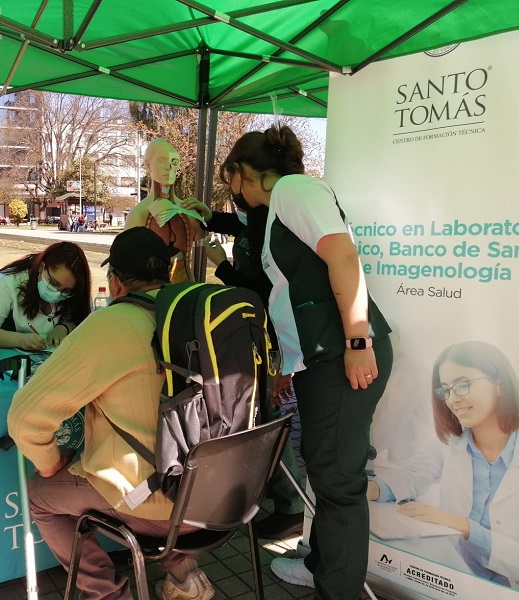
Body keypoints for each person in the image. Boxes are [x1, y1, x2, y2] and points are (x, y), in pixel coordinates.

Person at [219, 127, 393, 600]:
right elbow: (296, 295)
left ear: (240, 173)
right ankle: (321, 565)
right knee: (326, 472)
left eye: (229, 179)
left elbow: (342, 255)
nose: (231, 192)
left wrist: (358, 341)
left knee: (338, 485)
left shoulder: (295, 189)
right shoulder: (282, 204)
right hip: (322, 359)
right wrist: (287, 365)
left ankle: (337, 589)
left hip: (342, 355)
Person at [7, 227, 215, 600]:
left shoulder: (112, 323)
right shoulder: (199, 313)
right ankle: (185, 577)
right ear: (166, 275)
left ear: (115, 282)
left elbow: (25, 419)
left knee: (41, 494)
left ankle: (107, 594)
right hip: (221, 494)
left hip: (158, 505)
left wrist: (49, 461)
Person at [181, 197, 305, 539]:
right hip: (262, 334)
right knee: (262, 415)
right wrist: (211, 218)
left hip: (270, 336)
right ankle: (281, 497)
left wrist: (221, 266)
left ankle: (292, 505)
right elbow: (239, 226)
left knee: (265, 416)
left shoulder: (272, 226)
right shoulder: (256, 217)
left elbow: (258, 294)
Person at [368, 341, 519, 591]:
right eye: (445, 390)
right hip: (455, 580)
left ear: (499, 383)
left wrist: (464, 527)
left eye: (463, 384)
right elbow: (413, 474)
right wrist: (372, 489)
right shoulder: (452, 441)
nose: (453, 399)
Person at [0, 241, 91, 351]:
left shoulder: (77, 290)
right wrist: (20, 340)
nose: (57, 293)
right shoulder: (7, 281)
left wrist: (65, 327)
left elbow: (85, 322)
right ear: (41, 267)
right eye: (53, 283)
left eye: (66, 291)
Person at [125, 138, 205, 283]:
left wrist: (209, 220)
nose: (168, 167)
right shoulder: (138, 214)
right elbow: (126, 263)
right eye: (161, 160)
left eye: (173, 161)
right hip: (152, 296)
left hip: (184, 291)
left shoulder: (187, 210)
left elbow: (207, 244)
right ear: (148, 167)